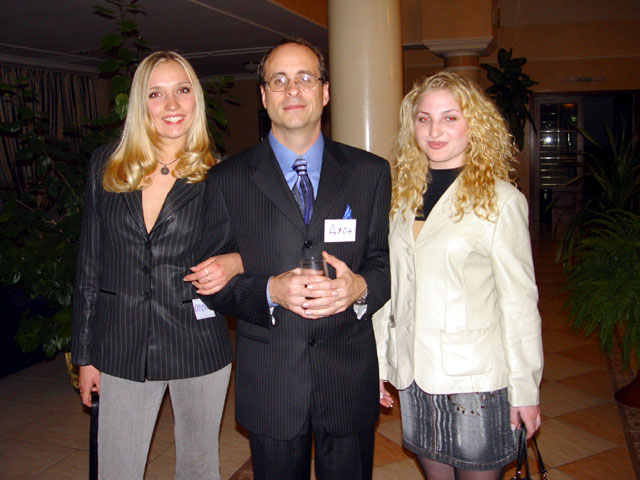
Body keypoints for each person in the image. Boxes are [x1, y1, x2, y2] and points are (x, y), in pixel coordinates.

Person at [185, 38, 391, 480]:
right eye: (278, 80)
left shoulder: (370, 172)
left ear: (325, 91)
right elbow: (210, 282)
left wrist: (360, 287)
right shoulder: (227, 180)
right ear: (263, 96)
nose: (292, 90)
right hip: (272, 380)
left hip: (347, 374)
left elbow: (384, 263)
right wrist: (269, 291)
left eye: (304, 78)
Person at [71, 51, 242, 479]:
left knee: (198, 468)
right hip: (121, 343)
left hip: (197, 341)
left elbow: (257, 248)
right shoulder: (107, 165)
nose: (172, 104)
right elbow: (90, 264)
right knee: (117, 469)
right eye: (156, 93)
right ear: (140, 103)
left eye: (182, 90)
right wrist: (85, 355)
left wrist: (235, 261)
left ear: (195, 97)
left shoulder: (221, 173)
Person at [373, 71, 544, 480]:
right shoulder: (401, 196)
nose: (434, 131)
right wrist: (377, 362)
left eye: (450, 118)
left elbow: (519, 303)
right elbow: (391, 286)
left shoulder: (501, 200)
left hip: (475, 380)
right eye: (424, 119)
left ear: (474, 125)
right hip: (414, 373)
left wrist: (525, 388)